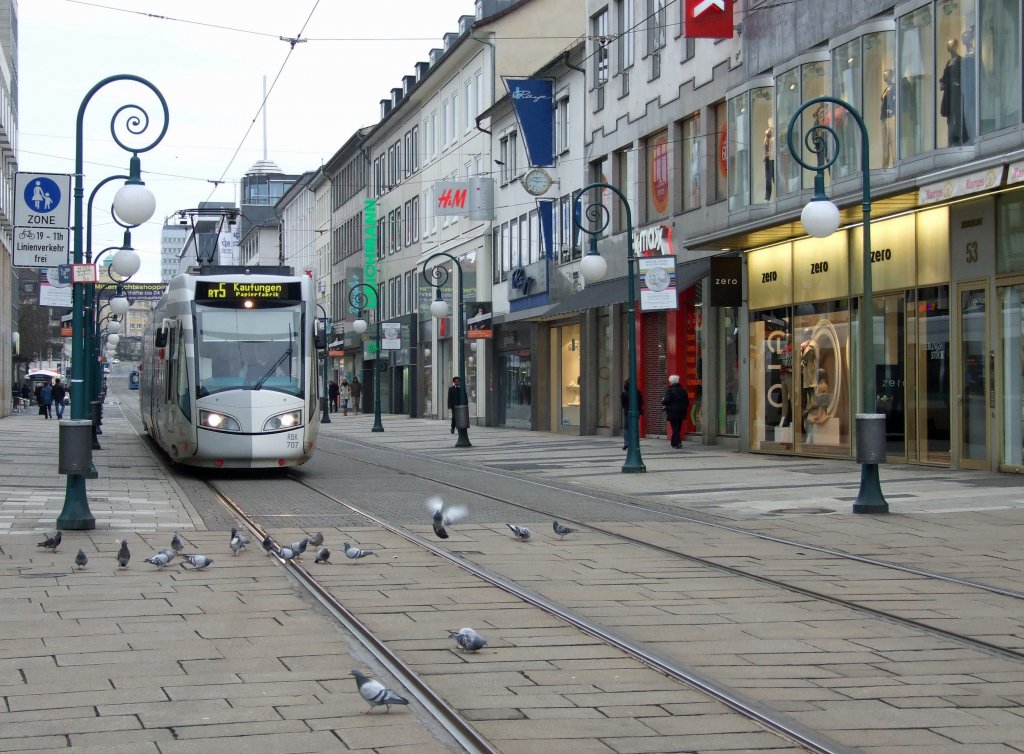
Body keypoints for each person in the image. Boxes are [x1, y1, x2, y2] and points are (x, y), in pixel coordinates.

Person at [661, 375, 690, 449]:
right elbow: (687, 401)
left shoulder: (669, 390)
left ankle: (678, 443)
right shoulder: (683, 390)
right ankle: (673, 442)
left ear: (670, 382)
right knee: (678, 427)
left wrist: (663, 400)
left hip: (672, 412)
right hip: (681, 411)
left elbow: (666, 401)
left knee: (675, 428)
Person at [620, 379, 643, 450]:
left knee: (627, 428)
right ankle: (634, 442)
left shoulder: (624, 394)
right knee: (634, 427)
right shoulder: (637, 392)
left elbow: (623, 404)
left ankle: (626, 442)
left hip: (627, 412)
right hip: (636, 411)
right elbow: (641, 402)